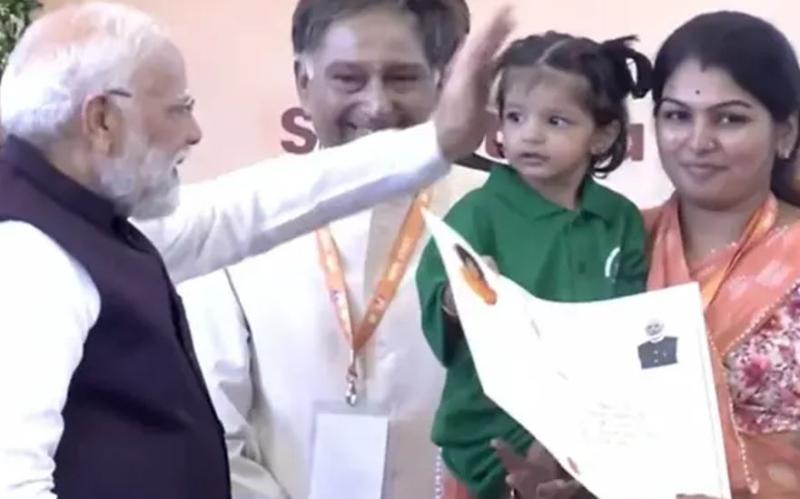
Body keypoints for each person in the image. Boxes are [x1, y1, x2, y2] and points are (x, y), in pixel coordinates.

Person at [0, 2, 513, 498]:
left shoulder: (86, 221)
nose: (194, 133)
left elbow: (244, 212)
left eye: (401, 77)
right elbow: (12, 480)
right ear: (102, 120)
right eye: (179, 109)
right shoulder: (32, 252)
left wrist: (438, 142)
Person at [175, 1, 488, 498]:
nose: (377, 105)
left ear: (442, 80)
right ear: (304, 81)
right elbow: (212, 425)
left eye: (402, 78)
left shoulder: (493, 214)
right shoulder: (237, 219)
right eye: (349, 79)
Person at [504, 10, 800, 499]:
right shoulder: (613, 244)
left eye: (730, 118)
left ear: (785, 133)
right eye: (677, 115)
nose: (698, 142)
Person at [416, 32, 652, 499]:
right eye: (515, 117)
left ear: (602, 134)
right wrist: (453, 300)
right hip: (486, 438)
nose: (529, 134)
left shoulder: (619, 218)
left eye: (555, 121)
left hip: (589, 436)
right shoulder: (477, 213)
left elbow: (627, 331)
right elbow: (437, 297)